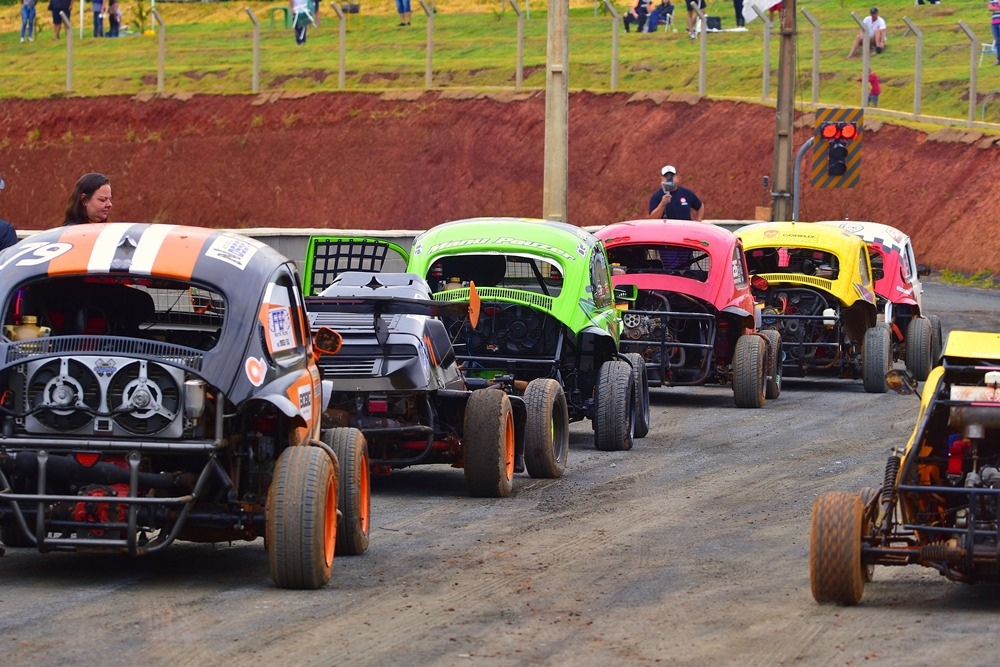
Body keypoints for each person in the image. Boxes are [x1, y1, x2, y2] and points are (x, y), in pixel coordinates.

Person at [990, 0, 1000, 66]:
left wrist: (995, 8)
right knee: (998, 41)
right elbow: (989, 8)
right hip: (994, 22)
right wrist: (998, 8)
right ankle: (999, 59)